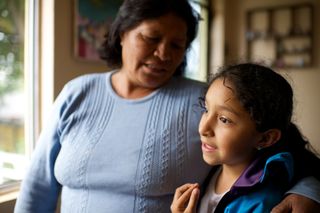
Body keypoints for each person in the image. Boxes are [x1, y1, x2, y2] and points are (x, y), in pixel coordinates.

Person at [14, 0, 320, 212]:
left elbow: (283, 147)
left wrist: (308, 192)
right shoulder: (76, 93)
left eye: (177, 45)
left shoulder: (205, 102)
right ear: (122, 34)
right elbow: (39, 186)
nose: (163, 54)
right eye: (151, 38)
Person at [171, 63, 320, 213]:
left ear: (265, 138)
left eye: (224, 120)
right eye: (206, 109)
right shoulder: (212, 169)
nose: (203, 129)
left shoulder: (261, 203)